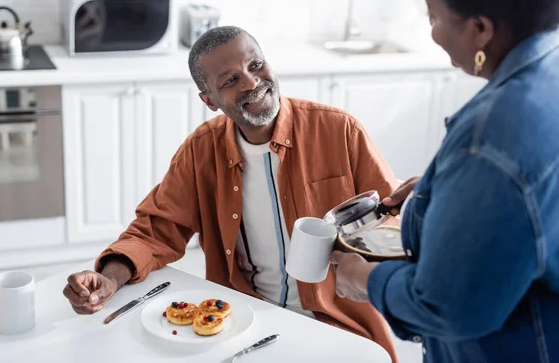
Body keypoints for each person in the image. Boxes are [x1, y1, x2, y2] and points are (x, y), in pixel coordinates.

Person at [62, 26, 400, 361]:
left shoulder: (339, 130)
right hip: (241, 320)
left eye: (255, 66)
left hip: (337, 322)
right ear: (209, 100)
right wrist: (108, 279)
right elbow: (155, 230)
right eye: (230, 80)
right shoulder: (200, 150)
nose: (251, 83)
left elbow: (393, 223)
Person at [330, 0, 559, 361]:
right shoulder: (548, 70)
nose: (432, 33)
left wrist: (365, 279)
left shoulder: (491, 140)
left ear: (481, 28)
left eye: (433, 16)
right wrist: (452, 187)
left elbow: (450, 306)